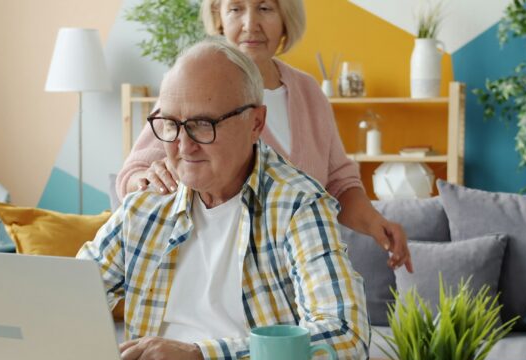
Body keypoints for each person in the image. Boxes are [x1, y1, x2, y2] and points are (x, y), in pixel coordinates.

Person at [36, 38, 369, 360]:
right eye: (170, 125)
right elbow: (65, 296)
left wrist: (199, 358)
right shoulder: (146, 207)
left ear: (256, 122)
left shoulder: (297, 204)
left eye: (203, 125)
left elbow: (346, 335)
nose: (183, 145)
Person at [115, 0, 413, 273]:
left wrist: (377, 223)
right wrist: (148, 181)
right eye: (236, 9)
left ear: (286, 18)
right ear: (219, 17)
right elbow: (133, 174)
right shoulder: (193, 87)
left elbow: (338, 184)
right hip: (221, 281)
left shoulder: (309, 93)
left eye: (265, 8)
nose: (250, 23)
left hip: (304, 279)